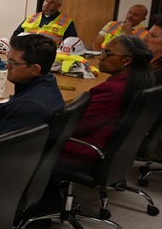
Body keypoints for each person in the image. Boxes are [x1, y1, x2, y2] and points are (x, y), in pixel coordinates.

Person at [58, 35, 156, 164]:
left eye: (108, 53)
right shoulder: (139, 79)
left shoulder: (112, 90)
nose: (101, 56)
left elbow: (76, 127)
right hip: (108, 146)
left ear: (126, 61)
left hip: (86, 148)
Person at [0, 34, 63, 141]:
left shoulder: (29, 106)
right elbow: (2, 109)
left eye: (13, 63)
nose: (7, 66)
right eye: (8, 60)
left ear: (35, 69)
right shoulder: (44, 84)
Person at [13, 0, 78, 45]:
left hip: (49, 56)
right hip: (26, 53)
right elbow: (15, 36)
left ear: (59, 6)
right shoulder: (31, 17)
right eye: (46, 1)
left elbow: (71, 44)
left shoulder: (66, 21)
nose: (47, 4)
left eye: (52, 2)